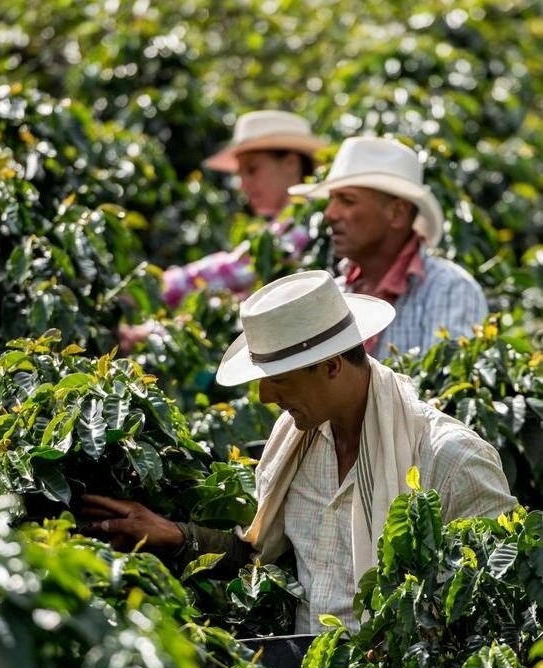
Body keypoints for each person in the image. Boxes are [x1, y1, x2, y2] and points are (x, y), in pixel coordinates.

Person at [82, 271, 517, 634]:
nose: (265, 395)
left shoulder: (451, 459)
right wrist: (176, 535)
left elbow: (499, 604)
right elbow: (259, 554)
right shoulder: (298, 441)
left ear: (331, 367)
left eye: (280, 378)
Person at [119, 110, 325, 351]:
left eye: (252, 170)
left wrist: (152, 290)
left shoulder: (308, 220)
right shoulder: (277, 226)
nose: (242, 184)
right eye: (240, 174)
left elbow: (238, 270)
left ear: (290, 162)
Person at [288, 136, 489, 360]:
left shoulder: (449, 290)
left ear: (398, 213)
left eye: (347, 200)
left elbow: (444, 389)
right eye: (332, 200)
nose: (330, 214)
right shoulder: (336, 293)